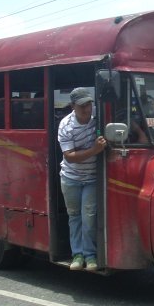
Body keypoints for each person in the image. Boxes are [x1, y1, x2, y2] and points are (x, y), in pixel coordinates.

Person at [57, 87, 106, 271]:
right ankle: (77, 254)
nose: (86, 109)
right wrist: (94, 150)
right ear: (73, 106)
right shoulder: (66, 125)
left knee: (89, 217)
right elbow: (69, 156)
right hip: (71, 177)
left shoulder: (98, 118)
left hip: (92, 177)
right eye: (82, 105)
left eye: (89, 104)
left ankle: (90, 255)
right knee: (74, 216)